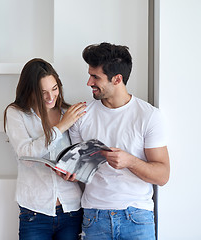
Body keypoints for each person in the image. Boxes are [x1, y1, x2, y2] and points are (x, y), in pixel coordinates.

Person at [68, 42, 170, 240]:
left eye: (95, 77)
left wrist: (130, 161)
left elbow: (163, 176)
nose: (89, 82)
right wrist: (71, 172)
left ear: (117, 79)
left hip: (137, 217)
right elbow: (79, 171)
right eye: (90, 75)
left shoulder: (149, 116)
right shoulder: (81, 115)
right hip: (94, 217)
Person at [3, 58, 86, 240]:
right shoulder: (16, 113)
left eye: (54, 89)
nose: (51, 97)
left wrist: (76, 173)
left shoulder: (68, 112)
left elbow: (79, 156)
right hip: (35, 212)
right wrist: (60, 127)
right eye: (43, 93)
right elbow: (26, 155)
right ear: (30, 91)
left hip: (71, 209)